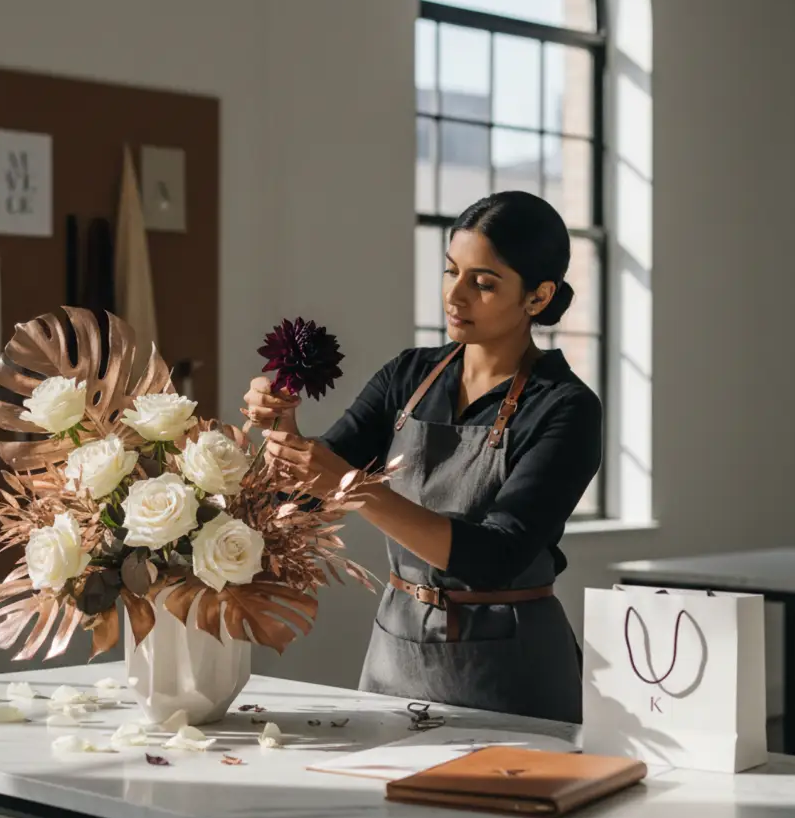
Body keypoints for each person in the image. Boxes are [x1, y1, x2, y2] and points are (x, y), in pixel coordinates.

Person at [242, 191, 602, 723]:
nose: (456, 296)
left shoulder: (564, 408)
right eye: (450, 271)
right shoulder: (408, 376)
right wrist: (283, 433)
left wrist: (352, 487)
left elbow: (496, 558)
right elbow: (299, 504)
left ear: (538, 296)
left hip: (510, 669)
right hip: (397, 652)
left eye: (483, 283)